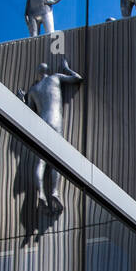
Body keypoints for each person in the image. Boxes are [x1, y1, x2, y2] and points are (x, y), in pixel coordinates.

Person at [17, 59, 82, 211]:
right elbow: (78, 78)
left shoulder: (33, 90)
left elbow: (28, 112)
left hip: (42, 122)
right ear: (47, 70)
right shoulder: (55, 77)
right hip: (55, 119)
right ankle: (54, 192)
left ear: (38, 74)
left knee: (41, 162)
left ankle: (41, 194)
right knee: (55, 161)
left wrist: (21, 99)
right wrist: (66, 67)